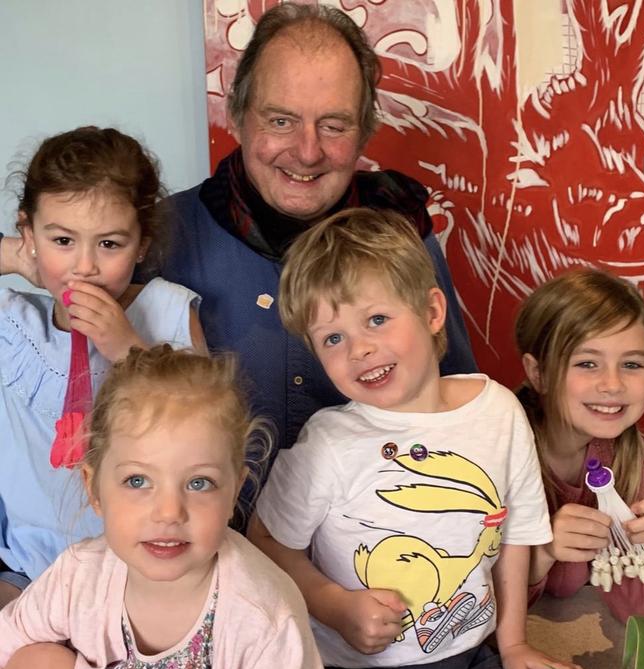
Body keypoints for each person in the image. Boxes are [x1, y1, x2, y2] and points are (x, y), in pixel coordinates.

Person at [247, 208, 608, 669]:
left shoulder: (496, 410)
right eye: (332, 338)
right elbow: (264, 542)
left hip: (467, 662)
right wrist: (333, 605)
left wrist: (516, 641)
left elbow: (521, 529)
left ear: (433, 311)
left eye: (376, 320)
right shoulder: (329, 445)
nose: (358, 349)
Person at [0, 344, 337, 669]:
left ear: (233, 492)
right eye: (137, 481)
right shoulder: (79, 576)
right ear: (94, 488)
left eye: (198, 484)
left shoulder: (262, 611)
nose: (168, 511)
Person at [157, 2, 476, 452]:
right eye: (281, 120)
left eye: (333, 125)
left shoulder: (403, 229)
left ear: (364, 133)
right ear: (236, 116)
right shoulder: (159, 236)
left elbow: (458, 402)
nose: (307, 152)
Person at [0, 126, 204, 607]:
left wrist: (129, 351)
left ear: (142, 243)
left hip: (136, 575)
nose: (84, 267)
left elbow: (203, 439)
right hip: (29, 571)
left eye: (110, 244)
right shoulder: (13, 324)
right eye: (63, 239)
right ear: (29, 231)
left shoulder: (168, 312)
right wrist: (17, 255)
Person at [515, 268, 644, 622]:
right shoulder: (499, 459)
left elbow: (633, 597)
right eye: (587, 363)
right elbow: (466, 601)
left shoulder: (624, 453)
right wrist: (541, 554)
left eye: (632, 364)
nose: (612, 384)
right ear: (538, 373)